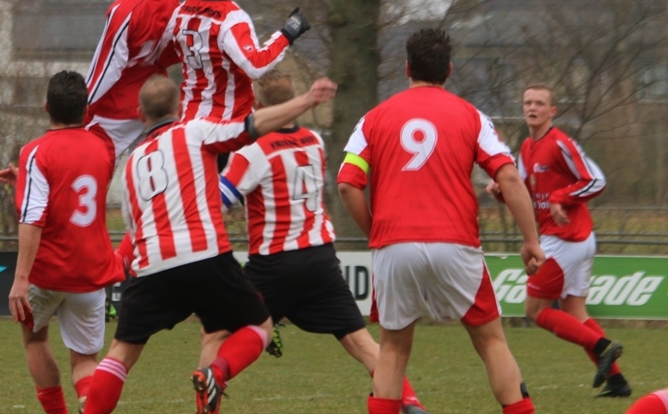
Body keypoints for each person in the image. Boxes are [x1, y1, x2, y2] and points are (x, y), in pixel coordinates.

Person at [83, 73, 337, 414]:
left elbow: (134, 228)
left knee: (121, 352)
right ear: (180, 107)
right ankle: (216, 372)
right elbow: (252, 126)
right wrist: (306, 100)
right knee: (259, 326)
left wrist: (118, 267)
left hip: (153, 262)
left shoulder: (133, 164)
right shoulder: (196, 131)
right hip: (204, 255)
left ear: (140, 115)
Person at [336, 28, 544, 414]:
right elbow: (509, 178)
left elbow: (347, 184)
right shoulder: (472, 117)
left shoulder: (373, 119)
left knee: (393, 349)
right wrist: (531, 240)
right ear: (448, 70)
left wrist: (377, 234)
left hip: (394, 245)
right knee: (491, 342)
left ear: (407, 68)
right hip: (456, 242)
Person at [209, 70, 426, 414]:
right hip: (320, 258)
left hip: (274, 262)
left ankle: (215, 376)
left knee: (219, 332)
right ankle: (411, 402)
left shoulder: (253, 151)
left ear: (259, 106)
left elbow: (219, 201)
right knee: (359, 340)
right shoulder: (314, 141)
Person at [486, 84, 629, 397]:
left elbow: (597, 180)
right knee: (575, 312)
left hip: (566, 238)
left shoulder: (560, 142)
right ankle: (617, 382)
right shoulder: (527, 147)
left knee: (535, 309)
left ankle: (603, 347)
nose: (532, 107)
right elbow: (524, 193)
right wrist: (501, 192)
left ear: (552, 111)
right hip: (572, 238)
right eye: (528, 102)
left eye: (539, 103)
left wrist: (560, 197)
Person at [7, 71, 126, 414]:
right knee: (85, 360)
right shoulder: (104, 149)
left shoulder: (36, 152)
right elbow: (73, 191)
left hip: (47, 273)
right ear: (85, 110)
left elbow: (33, 217)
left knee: (35, 340)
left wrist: (20, 279)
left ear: (46, 107)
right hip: (91, 272)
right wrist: (24, 181)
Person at [156, 0, 310, 124]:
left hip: (188, 122)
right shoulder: (232, 19)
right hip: (227, 126)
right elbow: (256, 67)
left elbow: (162, 55)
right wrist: (288, 33)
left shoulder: (180, 12)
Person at [85, 0, 180, 157]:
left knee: (89, 166)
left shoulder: (124, 10)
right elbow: (172, 54)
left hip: (117, 112)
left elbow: (107, 68)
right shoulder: (174, 3)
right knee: (150, 174)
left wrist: (80, 107)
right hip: (155, 107)